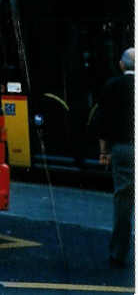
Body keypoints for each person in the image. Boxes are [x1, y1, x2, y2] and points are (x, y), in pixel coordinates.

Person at [97, 47, 135, 268]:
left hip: (124, 149)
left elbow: (103, 123)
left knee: (124, 201)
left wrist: (104, 152)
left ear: (122, 65)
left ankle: (119, 253)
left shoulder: (112, 86)